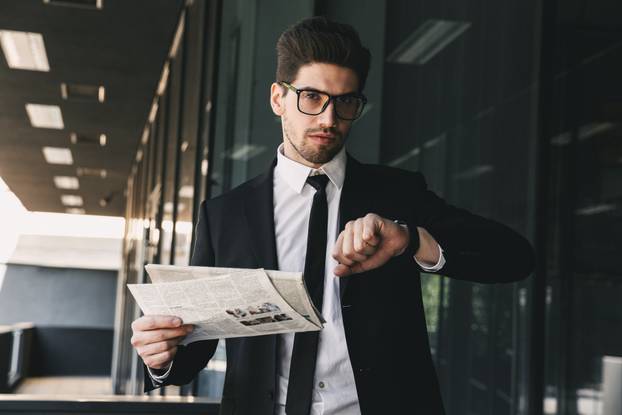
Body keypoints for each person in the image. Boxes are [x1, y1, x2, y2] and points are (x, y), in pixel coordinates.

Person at [130, 16, 535, 415]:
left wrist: (411, 240)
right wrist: (162, 357)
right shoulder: (224, 215)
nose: (329, 118)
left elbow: (514, 258)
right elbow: (196, 348)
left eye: (346, 102)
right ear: (277, 99)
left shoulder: (397, 194)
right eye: (311, 97)